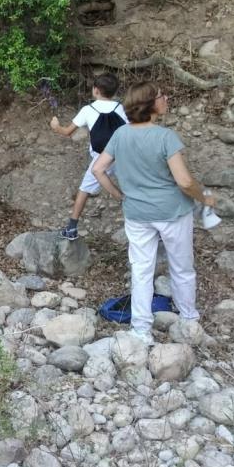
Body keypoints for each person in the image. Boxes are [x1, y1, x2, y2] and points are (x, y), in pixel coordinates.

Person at [92, 82, 216, 346]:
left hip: (137, 213)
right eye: (161, 95)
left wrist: (118, 195)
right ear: (150, 104)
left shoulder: (120, 135)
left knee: (141, 270)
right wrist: (204, 197)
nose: (166, 98)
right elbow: (183, 181)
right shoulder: (165, 137)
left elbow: (98, 170)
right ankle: (188, 319)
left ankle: (140, 331)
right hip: (172, 212)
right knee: (181, 268)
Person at [49, 73, 128, 240]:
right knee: (133, 187)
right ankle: (144, 219)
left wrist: (55, 126)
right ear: (114, 92)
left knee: (84, 190)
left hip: (101, 158)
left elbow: (67, 132)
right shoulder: (122, 108)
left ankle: (71, 228)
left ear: (96, 90)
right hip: (124, 156)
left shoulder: (87, 110)